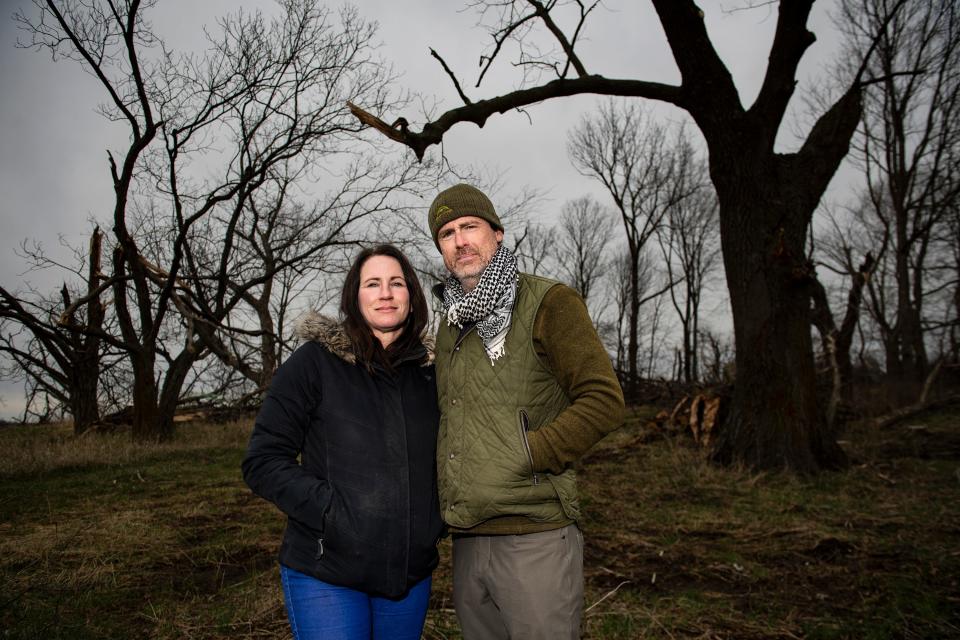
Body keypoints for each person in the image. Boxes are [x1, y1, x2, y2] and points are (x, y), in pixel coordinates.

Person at [427, 183, 626, 640]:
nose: (460, 241)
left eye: (470, 227)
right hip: (469, 539)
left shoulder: (548, 302)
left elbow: (603, 399)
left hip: (534, 537)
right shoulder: (449, 325)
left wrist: (529, 453)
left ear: (497, 233)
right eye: (447, 233)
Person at [242, 244, 444, 640]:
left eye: (396, 283)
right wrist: (330, 511)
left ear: (411, 296)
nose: (385, 293)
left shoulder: (434, 376)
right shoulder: (314, 364)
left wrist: (434, 519)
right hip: (326, 567)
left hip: (409, 574)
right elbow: (263, 460)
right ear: (355, 296)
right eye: (373, 283)